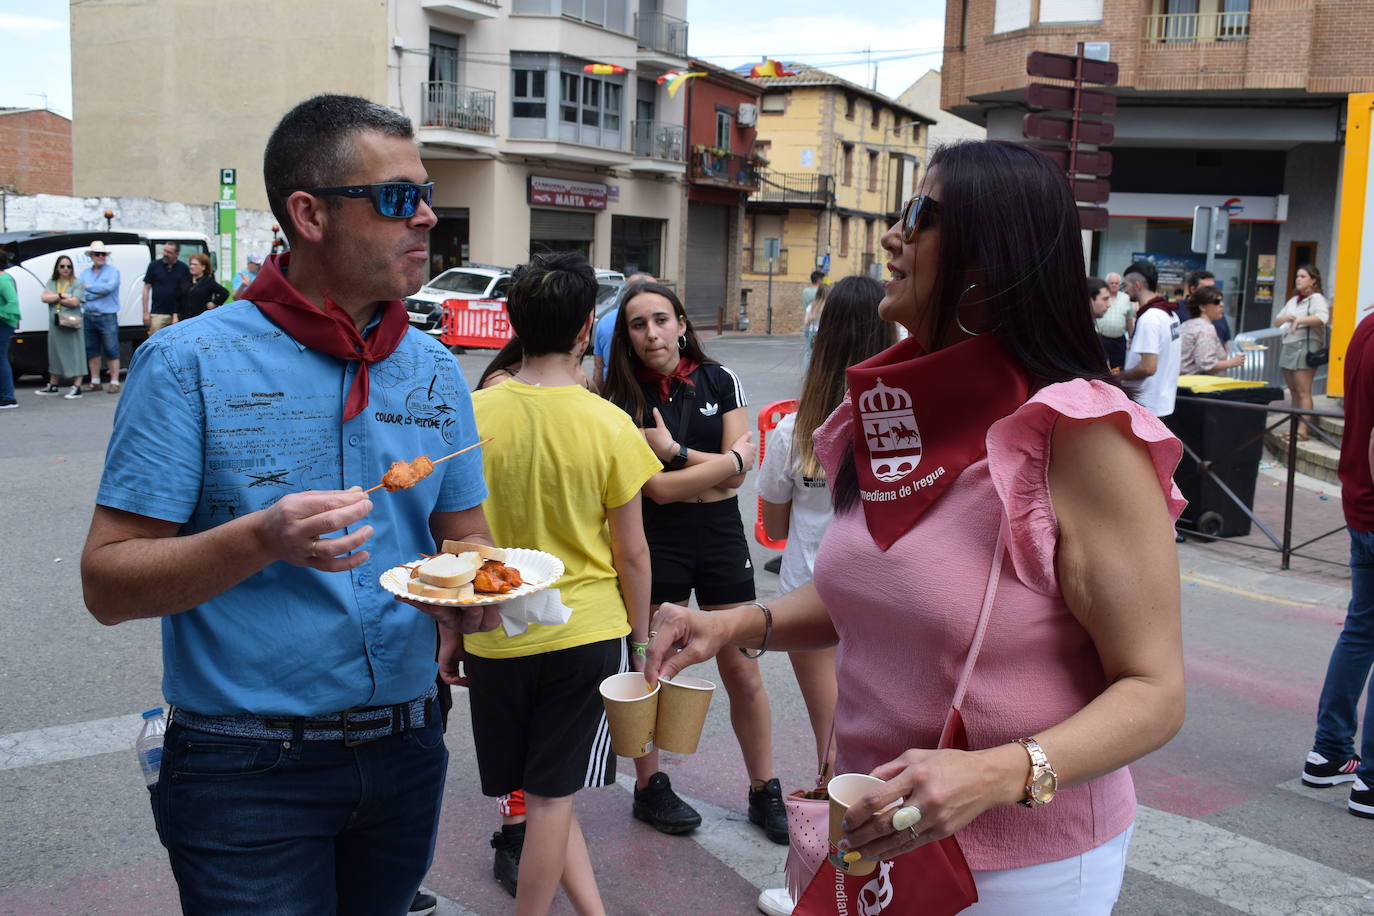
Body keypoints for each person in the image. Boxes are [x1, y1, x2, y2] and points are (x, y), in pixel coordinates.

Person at [644, 140, 1186, 915]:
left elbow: (1156, 691)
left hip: (1019, 864)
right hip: (873, 826)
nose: (892, 237)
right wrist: (734, 624)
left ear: (989, 258)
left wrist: (999, 773)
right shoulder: (893, 411)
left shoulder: (1081, 434)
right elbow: (876, 598)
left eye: (919, 217)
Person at [80, 93, 500, 916]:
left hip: (409, 744)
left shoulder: (434, 369)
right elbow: (107, 583)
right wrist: (262, 537)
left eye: (425, 197)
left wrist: (474, 595)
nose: (424, 219)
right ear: (308, 214)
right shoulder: (187, 364)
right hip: (246, 767)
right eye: (394, 199)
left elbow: (467, 538)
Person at [457, 250, 658, 916]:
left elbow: (456, 541)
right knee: (552, 797)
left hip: (496, 632)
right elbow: (632, 553)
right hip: (586, 634)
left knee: (545, 794)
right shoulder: (610, 424)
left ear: (511, 320)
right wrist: (641, 640)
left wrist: (449, 631)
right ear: (585, 330)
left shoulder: (478, 414)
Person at [602, 282, 789, 846]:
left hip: (720, 533)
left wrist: (682, 454)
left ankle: (765, 789)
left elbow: (738, 476)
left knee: (742, 667)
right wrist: (725, 461)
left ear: (682, 324)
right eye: (638, 325)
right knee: (651, 661)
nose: (651, 333)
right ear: (627, 338)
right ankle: (650, 786)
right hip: (655, 537)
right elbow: (655, 490)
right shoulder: (620, 396)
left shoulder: (719, 378)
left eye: (661, 320)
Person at [754, 274, 895, 916]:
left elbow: (775, 530)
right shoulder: (899, 424)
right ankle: (878, 881)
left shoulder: (794, 431)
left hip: (807, 599)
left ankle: (821, 887)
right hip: (887, 602)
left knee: (831, 747)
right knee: (880, 747)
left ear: (824, 334)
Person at [1304, 309, 1374, 818]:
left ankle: (1329, 752)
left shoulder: (1367, 327)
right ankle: (1369, 780)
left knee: (1361, 628)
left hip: (1359, 505)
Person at [1120, 259, 1183, 418]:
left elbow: (1148, 367)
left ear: (1138, 285)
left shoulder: (1150, 318)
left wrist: (1119, 376)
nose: (1125, 290)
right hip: (1163, 402)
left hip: (1147, 406)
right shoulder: (1171, 314)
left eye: (1126, 285)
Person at [1274, 265, 1330, 441]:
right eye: (1297, 276)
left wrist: (1300, 320)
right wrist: (1286, 318)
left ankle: (1302, 430)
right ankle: (1294, 429)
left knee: (1303, 390)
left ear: (1313, 280)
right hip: (1290, 345)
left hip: (1305, 345)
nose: (1298, 279)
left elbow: (1323, 318)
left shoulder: (1316, 298)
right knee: (1294, 391)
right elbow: (1277, 320)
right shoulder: (1293, 300)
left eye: (1303, 276)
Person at [35, 255, 88, 398]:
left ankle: (77, 385)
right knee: (55, 353)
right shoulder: (52, 282)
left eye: (69, 266)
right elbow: (44, 298)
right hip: (56, 324)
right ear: (57, 268)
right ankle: (53, 384)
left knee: (76, 353)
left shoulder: (76, 283)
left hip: (72, 323)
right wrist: (62, 295)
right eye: (62, 266)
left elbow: (75, 302)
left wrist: (56, 297)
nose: (66, 269)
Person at [591, 271, 653, 386]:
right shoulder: (657, 325)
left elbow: (599, 368)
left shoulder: (604, 321)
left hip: (612, 392)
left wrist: (598, 399)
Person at [79, 240, 122, 392]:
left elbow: (109, 288)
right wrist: (98, 293)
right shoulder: (84, 273)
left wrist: (89, 288)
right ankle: (95, 380)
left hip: (107, 315)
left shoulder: (113, 272)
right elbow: (80, 293)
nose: (100, 256)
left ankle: (115, 381)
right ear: (91, 256)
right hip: (89, 315)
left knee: (112, 349)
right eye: (97, 254)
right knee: (92, 349)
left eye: (103, 254)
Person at [1180, 286, 1244, 376]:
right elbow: (1206, 363)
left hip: (1182, 384)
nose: (1222, 304)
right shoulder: (1205, 328)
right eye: (1216, 302)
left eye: (1221, 301)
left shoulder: (1186, 324)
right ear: (1202, 307)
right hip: (1197, 386)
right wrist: (1232, 362)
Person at [142, 241, 190, 334]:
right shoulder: (154, 266)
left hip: (177, 314)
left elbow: (186, 291)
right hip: (158, 313)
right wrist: (145, 313)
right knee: (155, 342)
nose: (165, 254)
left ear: (177, 254)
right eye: (164, 251)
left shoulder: (183, 268)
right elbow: (146, 288)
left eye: (169, 252)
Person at [1095, 272, 1134, 370]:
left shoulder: (1126, 298)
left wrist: (1131, 336)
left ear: (1119, 284)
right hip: (1101, 339)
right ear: (1107, 284)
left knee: (1118, 368)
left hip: (1119, 340)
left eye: (1116, 283)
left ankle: (1115, 384)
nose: (1114, 285)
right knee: (1100, 366)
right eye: (1111, 283)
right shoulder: (1100, 296)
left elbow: (1129, 319)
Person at [177, 252, 230, 321]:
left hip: (201, 318)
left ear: (203, 267)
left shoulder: (208, 281)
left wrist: (214, 303)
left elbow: (225, 293)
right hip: (184, 318)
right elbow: (178, 297)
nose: (191, 266)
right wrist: (176, 314)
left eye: (195, 264)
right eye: (191, 264)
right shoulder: (185, 280)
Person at [1184, 269, 1229, 345]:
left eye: (1213, 288)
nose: (1212, 292)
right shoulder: (1177, 311)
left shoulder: (1217, 311)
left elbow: (1225, 340)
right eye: (1207, 289)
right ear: (1193, 289)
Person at [0, 249, 16, 409]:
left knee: (1, 358)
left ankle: (8, 397)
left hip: (4, 324)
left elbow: (13, 304)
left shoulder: (4, 280)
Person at [801, 282, 828, 368]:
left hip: (813, 335)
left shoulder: (812, 306)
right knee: (823, 357)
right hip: (824, 335)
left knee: (808, 355)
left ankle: (807, 376)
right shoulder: (829, 306)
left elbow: (806, 322)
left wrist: (813, 317)